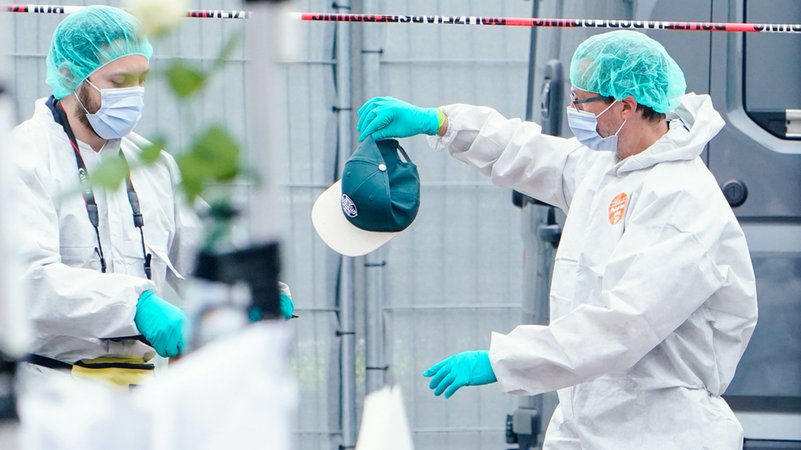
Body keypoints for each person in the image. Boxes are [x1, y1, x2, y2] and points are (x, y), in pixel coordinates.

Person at [357, 30, 758, 449]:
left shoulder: (680, 201)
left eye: (583, 101)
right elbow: (526, 151)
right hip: (588, 425)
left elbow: (620, 326)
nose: (573, 110)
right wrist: (440, 121)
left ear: (626, 105)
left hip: (660, 432)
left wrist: (502, 360)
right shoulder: (608, 167)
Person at [10, 5, 293, 387]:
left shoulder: (153, 165)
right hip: (51, 389)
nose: (134, 93)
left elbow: (202, 251)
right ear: (69, 74)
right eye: (119, 80)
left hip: (142, 389)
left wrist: (256, 290)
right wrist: (137, 305)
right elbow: (26, 281)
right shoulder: (21, 157)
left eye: (141, 79)